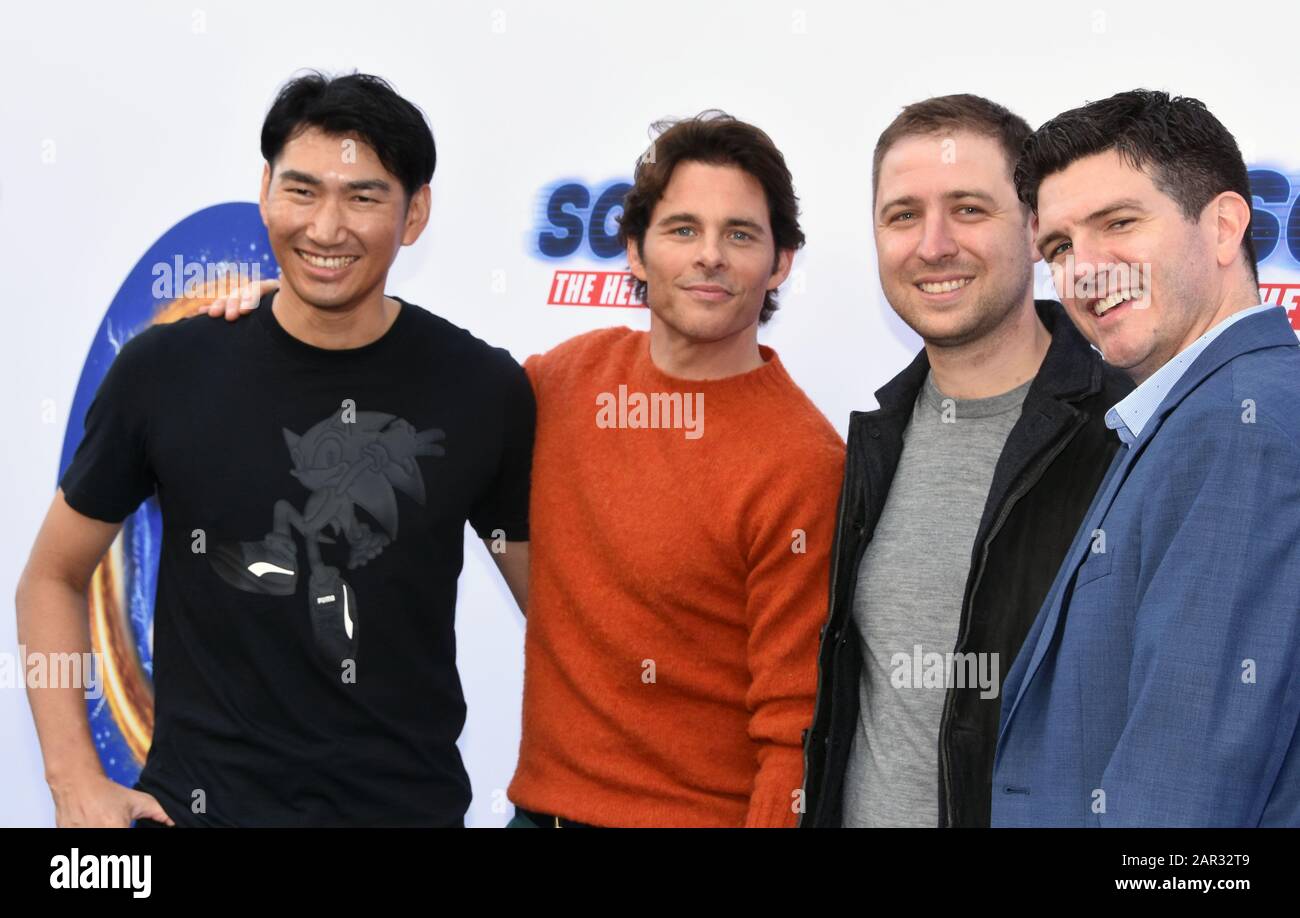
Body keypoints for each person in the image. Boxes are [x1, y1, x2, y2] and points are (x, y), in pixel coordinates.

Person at [17, 71, 534, 827]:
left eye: (363, 197)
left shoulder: (481, 388)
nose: (326, 228)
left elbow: (556, 615)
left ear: (415, 212)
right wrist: (71, 780)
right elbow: (50, 579)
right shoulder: (167, 370)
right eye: (302, 190)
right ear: (265, 191)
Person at [801, 95, 1132, 828]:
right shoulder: (871, 440)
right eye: (903, 215)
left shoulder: (1127, 432)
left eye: (969, 209)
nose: (934, 244)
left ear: (1036, 229)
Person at [993, 89, 1300, 827]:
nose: (1086, 270)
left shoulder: (1237, 427)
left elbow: (1183, 801)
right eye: (1061, 248)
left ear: (1225, 227)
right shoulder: (1193, 413)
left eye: (1120, 223)